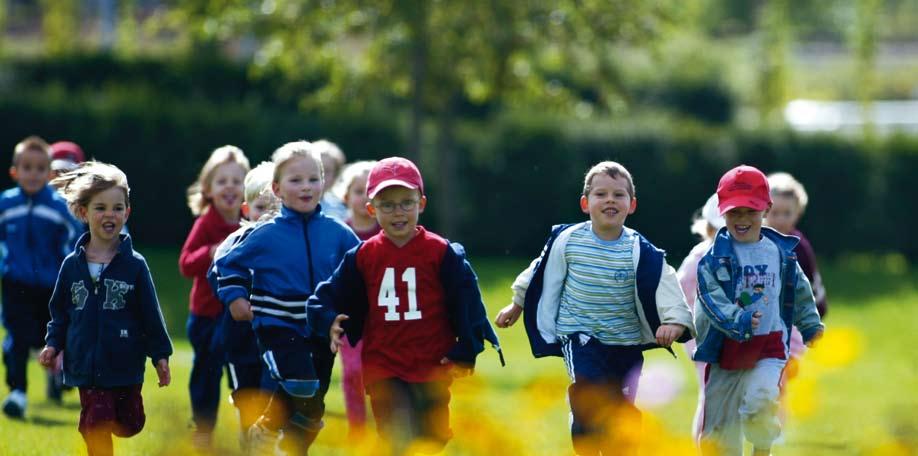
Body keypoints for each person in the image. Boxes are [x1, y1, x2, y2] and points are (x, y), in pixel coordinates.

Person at [494, 160, 694, 455]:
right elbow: (539, 271)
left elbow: (666, 283)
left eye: (618, 194)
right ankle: (585, 435)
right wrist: (517, 303)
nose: (610, 200)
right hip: (581, 336)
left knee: (620, 411)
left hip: (625, 343)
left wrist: (674, 322)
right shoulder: (569, 240)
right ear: (586, 203)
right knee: (588, 394)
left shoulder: (640, 249)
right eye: (601, 194)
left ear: (632, 204)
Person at [307, 156, 503, 454]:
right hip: (383, 364)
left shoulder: (441, 253)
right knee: (396, 437)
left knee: (431, 439)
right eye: (387, 205)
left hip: (432, 364)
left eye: (406, 203)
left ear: (421, 203)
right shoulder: (363, 255)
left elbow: (468, 303)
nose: (398, 212)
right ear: (372, 209)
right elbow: (326, 295)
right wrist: (327, 319)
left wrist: (466, 349)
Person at [214, 141, 360, 454]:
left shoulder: (338, 233)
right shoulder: (266, 233)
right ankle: (265, 428)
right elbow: (226, 263)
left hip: (321, 328)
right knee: (300, 384)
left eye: (313, 179)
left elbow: (361, 268)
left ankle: (291, 449)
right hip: (277, 326)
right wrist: (236, 296)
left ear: (324, 183)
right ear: (278, 190)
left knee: (313, 411)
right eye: (296, 180)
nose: (306, 187)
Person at [38, 161, 172, 456]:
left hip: (124, 362)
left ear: (127, 212)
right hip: (85, 363)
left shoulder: (135, 266)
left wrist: (160, 355)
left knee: (131, 423)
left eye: (117, 207)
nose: (109, 214)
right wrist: (52, 345)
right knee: (95, 421)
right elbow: (60, 312)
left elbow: (151, 314)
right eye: (100, 208)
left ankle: (111, 420)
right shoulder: (72, 266)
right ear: (83, 213)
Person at [693, 165, 824, 456]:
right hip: (725, 351)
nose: (742, 219)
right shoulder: (712, 259)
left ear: (766, 209)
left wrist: (811, 325)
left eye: (750, 211)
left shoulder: (781, 252)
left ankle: (762, 448)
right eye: (734, 212)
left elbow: (801, 291)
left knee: (760, 402)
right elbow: (712, 300)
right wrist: (738, 318)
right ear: (722, 213)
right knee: (718, 435)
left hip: (768, 346)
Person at [1, 136, 82, 418]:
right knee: (17, 337)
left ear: (49, 174)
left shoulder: (59, 209)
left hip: (49, 287)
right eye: (26, 167)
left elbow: (74, 242)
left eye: (39, 169)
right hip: (14, 284)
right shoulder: (6, 205)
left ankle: (59, 372)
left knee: (46, 338)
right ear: (15, 172)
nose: (32, 174)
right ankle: (18, 391)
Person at [179, 145, 250, 445]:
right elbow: (185, 263)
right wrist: (210, 252)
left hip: (239, 313)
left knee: (244, 372)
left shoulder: (253, 223)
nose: (230, 187)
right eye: (222, 181)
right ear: (208, 188)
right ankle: (203, 430)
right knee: (206, 374)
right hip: (206, 316)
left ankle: (252, 428)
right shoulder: (206, 223)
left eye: (237, 180)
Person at [207, 161, 280, 451]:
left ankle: (267, 440)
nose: (269, 216)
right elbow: (216, 275)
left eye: (276, 209)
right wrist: (237, 298)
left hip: (277, 338)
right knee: (247, 397)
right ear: (247, 210)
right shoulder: (234, 244)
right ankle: (247, 440)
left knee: (273, 394)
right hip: (240, 339)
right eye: (262, 208)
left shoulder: (289, 246)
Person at [330, 159, 379, 436]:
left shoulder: (388, 233)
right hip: (348, 318)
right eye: (359, 191)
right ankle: (358, 431)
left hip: (383, 317)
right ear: (346, 196)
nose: (364, 198)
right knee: (352, 373)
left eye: (371, 192)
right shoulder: (338, 233)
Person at [675, 193, 724, 440]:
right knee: (710, 392)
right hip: (701, 339)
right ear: (708, 229)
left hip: (732, 336)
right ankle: (704, 443)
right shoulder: (699, 257)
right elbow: (678, 288)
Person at [314, 139, 348, 221]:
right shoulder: (289, 204)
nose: (320, 175)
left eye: (327, 171)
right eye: (315, 168)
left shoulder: (340, 210)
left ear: (335, 176)